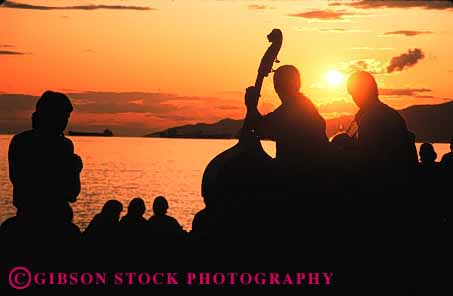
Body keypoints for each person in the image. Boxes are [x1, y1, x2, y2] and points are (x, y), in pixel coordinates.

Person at [8, 91, 83, 223]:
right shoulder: (62, 145)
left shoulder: (20, 141)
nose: (65, 121)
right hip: (46, 217)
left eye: (67, 117)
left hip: (36, 215)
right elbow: (70, 192)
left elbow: (71, 192)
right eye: (63, 116)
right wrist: (74, 168)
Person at [243, 65, 329, 165]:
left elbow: (261, 128)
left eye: (278, 83)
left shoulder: (291, 110)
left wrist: (251, 107)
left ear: (277, 87)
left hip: (296, 172)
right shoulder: (306, 106)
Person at [346, 71, 418, 172]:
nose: (354, 98)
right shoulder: (390, 115)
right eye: (352, 94)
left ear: (369, 90)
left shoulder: (372, 117)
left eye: (355, 93)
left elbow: (368, 158)